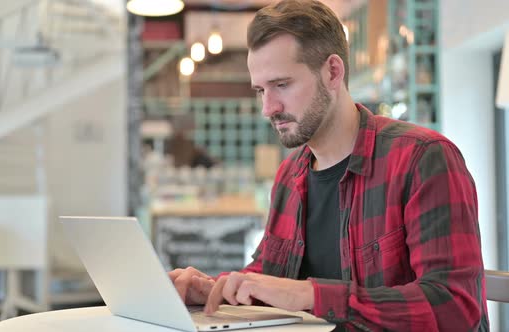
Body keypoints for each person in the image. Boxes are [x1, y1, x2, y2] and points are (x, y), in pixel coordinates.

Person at [168, 0, 489, 330]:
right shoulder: (289, 175)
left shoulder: (422, 158)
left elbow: (455, 308)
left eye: (282, 85)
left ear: (333, 72)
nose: (268, 108)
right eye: (260, 90)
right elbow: (272, 278)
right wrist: (215, 289)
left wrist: (312, 294)